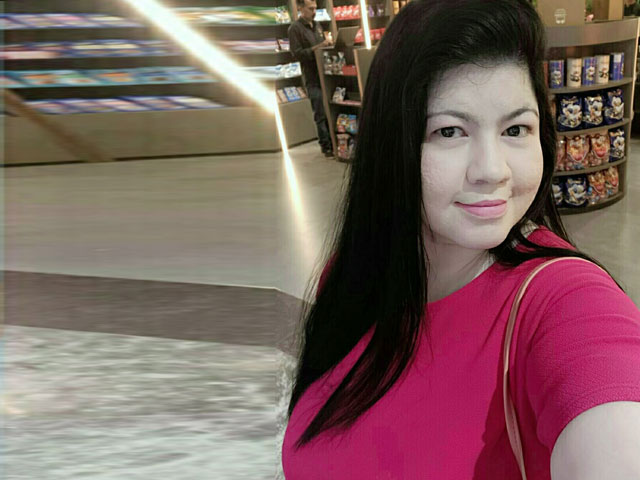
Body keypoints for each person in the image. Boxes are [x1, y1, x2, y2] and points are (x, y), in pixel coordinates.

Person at [282, 0, 640, 478]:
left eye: (516, 128)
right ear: (392, 142)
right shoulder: (352, 273)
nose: (492, 171)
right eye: (450, 131)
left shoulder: (563, 302)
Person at [288, 0, 334, 157]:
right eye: (310, 8)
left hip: (325, 75)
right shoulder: (295, 29)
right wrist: (319, 47)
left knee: (330, 110)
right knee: (320, 112)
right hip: (312, 77)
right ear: (301, 8)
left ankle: (335, 142)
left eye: (315, 8)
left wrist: (328, 45)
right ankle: (326, 146)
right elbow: (297, 54)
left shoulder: (317, 25)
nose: (314, 12)